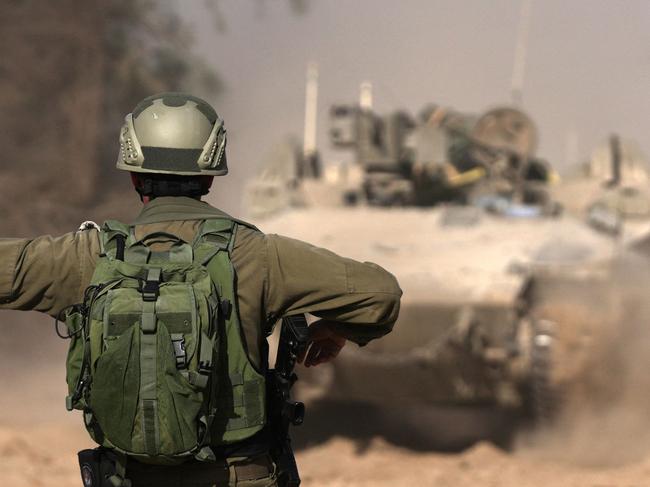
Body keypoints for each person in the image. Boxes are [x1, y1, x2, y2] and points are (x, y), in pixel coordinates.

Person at [0, 92, 402, 487]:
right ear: (210, 174)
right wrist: (337, 329)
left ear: (133, 173)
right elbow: (380, 295)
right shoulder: (257, 256)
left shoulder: (85, 257)